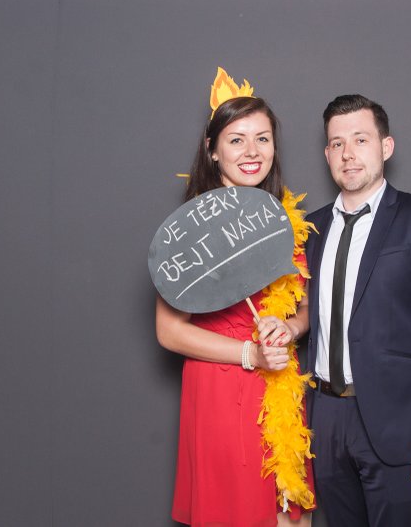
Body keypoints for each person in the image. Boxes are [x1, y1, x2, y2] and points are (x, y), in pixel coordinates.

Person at [155, 69, 315, 526]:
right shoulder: (192, 232)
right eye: (236, 140)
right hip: (223, 391)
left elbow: (304, 305)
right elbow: (169, 332)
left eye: (262, 139)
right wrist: (250, 354)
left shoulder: (284, 220)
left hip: (281, 384)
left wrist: (290, 327)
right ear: (213, 149)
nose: (252, 152)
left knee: (289, 517)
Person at [304, 94, 411, 526]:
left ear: (386, 147)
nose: (348, 153)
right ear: (327, 154)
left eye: (360, 139)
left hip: (397, 422)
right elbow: (305, 315)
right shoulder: (310, 228)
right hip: (324, 418)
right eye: (337, 143)